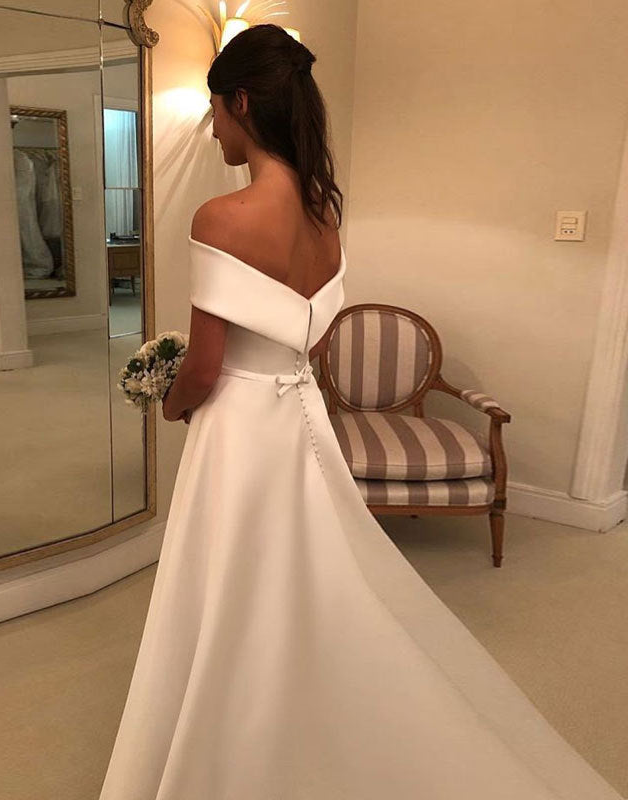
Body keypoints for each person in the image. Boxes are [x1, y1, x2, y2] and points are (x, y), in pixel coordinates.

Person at [97, 24, 624, 800]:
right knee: (303, 569)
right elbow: (306, 342)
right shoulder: (325, 216)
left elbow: (205, 369)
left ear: (240, 102)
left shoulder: (221, 217)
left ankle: (239, 724)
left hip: (241, 426)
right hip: (300, 418)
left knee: (232, 578)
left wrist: (171, 404)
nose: (212, 131)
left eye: (214, 111)